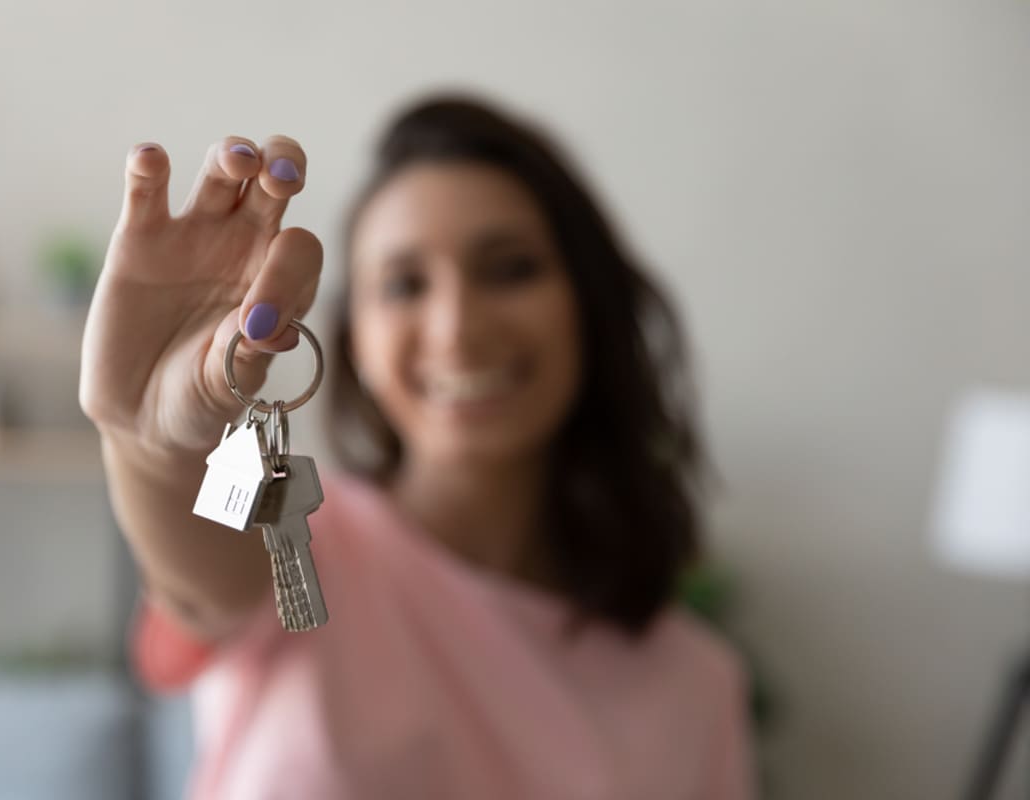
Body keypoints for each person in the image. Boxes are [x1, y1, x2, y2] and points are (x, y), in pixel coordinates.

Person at [80, 94, 755, 799]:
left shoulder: (698, 688)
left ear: (588, 303)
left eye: (509, 269)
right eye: (404, 284)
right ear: (356, 344)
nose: (457, 328)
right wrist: (147, 442)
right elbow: (198, 582)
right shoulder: (297, 544)